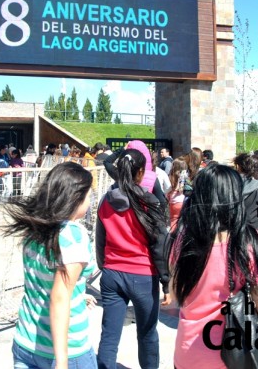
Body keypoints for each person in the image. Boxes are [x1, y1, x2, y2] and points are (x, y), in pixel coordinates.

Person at [170, 164, 258, 369]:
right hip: (231, 357)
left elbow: (176, 295)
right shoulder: (247, 240)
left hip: (187, 355)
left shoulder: (183, 239)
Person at [3, 162, 97, 369]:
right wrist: (61, 360)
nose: (90, 201)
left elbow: (45, 281)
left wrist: (78, 293)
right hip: (66, 349)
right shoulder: (72, 234)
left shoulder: (34, 229)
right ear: (75, 198)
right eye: (88, 195)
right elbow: (59, 298)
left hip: (25, 342)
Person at [95, 148, 172, 369]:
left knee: (109, 335)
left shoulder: (106, 201)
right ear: (140, 172)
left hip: (111, 274)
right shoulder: (149, 203)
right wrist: (166, 282)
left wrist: (105, 266)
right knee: (147, 335)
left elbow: (101, 240)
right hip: (143, 277)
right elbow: (160, 246)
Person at [167, 157, 189, 231]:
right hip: (182, 200)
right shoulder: (184, 175)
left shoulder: (171, 176)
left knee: (173, 221)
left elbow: (168, 190)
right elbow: (181, 189)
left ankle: (172, 238)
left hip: (172, 201)